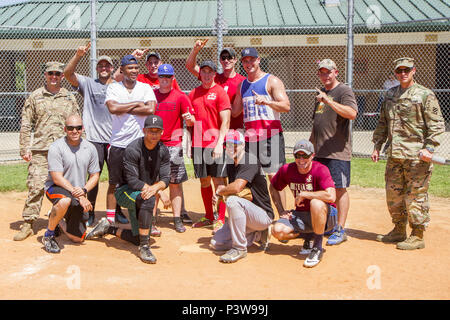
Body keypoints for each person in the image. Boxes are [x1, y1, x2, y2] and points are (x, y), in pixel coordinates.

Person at [372, 57, 445, 250]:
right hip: (395, 155)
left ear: (414, 70)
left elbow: (437, 125)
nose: (403, 73)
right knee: (393, 195)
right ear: (395, 73)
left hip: (416, 158)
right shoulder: (389, 94)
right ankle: (398, 230)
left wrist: (429, 148)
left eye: (407, 70)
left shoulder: (424, 94)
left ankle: (417, 234)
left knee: (415, 196)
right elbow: (382, 123)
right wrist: (377, 145)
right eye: (399, 71)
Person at [86, 115, 170, 264]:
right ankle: (144, 248)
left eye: (157, 131)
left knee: (138, 236)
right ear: (144, 130)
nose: (154, 134)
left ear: (162, 132)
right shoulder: (133, 148)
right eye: (151, 131)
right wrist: (157, 191)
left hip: (142, 192)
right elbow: (132, 180)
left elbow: (165, 178)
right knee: (149, 199)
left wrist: (158, 188)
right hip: (124, 191)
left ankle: (108, 228)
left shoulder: (163, 150)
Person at [64, 42, 127, 226]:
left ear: (112, 68)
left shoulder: (118, 86)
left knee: (117, 178)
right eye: (101, 65)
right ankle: (89, 211)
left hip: (114, 139)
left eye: (107, 65)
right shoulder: (88, 83)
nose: (104, 68)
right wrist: (78, 55)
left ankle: (116, 211)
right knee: (94, 177)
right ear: (97, 68)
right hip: (93, 140)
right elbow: (68, 74)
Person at [15, 61, 79, 241]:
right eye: (50, 73)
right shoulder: (35, 96)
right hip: (41, 150)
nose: (54, 77)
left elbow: (77, 122)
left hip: (64, 151)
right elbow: (26, 124)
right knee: (36, 186)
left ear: (61, 77)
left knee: (65, 186)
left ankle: (63, 219)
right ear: (45, 75)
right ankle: (28, 223)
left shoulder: (68, 97)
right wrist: (24, 148)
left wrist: (80, 147)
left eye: (57, 74)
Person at [231, 47, 290, 217]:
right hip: (250, 139)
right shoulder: (242, 85)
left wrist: (267, 102)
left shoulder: (271, 81)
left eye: (251, 60)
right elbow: (234, 111)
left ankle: (283, 215)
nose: (248, 64)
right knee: (253, 177)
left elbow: (286, 106)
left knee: (274, 177)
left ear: (258, 60)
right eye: (245, 61)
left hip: (270, 136)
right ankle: (262, 216)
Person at [309, 58, 357, 246]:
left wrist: (328, 100)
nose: (325, 75)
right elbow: (316, 124)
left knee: (339, 189)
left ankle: (340, 228)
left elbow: (352, 113)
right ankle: (327, 224)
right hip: (319, 152)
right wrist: (310, 147)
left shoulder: (343, 90)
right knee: (322, 190)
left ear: (336, 72)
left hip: (337, 152)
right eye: (322, 72)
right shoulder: (321, 95)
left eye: (328, 72)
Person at [104, 55, 156, 228]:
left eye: (136, 68)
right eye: (130, 68)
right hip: (118, 144)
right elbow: (113, 108)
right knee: (114, 183)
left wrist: (124, 107)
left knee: (143, 182)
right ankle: (110, 221)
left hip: (140, 144)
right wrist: (136, 103)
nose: (134, 71)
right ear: (122, 70)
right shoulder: (114, 88)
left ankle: (148, 222)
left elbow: (150, 109)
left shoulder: (145, 87)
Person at [270, 139, 338, 268]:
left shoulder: (320, 169)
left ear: (312, 155)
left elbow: (331, 196)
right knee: (277, 231)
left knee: (316, 203)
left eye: (305, 155)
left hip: (327, 216)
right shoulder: (287, 170)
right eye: (298, 155)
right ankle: (309, 236)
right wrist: (281, 211)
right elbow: (273, 187)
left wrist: (305, 194)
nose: (301, 160)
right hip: (301, 215)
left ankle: (317, 247)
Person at [210, 130, 274, 263]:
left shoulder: (249, 160)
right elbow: (232, 191)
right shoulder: (230, 163)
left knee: (233, 201)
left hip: (262, 214)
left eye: (235, 144)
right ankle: (256, 234)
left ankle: (239, 248)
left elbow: (237, 187)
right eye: (228, 145)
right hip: (246, 215)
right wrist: (221, 195)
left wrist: (220, 191)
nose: (231, 148)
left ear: (243, 145)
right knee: (216, 243)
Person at [41, 114, 100, 253]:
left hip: (78, 192)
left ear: (82, 128)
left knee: (77, 239)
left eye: (78, 128)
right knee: (64, 201)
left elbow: (95, 175)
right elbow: (56, 178)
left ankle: (56, 218)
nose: (75, 131)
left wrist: (84, 190)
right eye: (70, 128)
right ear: (65, 129)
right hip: (56, 187)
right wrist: (79, 196)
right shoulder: (56, 147)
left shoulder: (90, 148)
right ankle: (48, 236)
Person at [152, 63, 196, 233]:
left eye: (168, 77)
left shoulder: (180, 96)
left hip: (173, 144)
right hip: (154, 145)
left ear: (172, 78)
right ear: (158, 78)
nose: (164, 80)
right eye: (162, 77)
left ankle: (177, 218)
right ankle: (152, 220)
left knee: (175, 183)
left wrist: (190, 119)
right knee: (155, 182)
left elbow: (191, 121)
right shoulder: (152, 95)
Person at [189, 60, 231, 234]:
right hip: (198, 144)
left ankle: (220, 218)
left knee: (219, 181)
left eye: (210, 72)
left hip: (216, 144)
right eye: (204, 72)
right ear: (200, 74)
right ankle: (208, 216)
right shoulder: (194, 93)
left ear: (215, 74)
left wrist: (220, 143)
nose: (206, 75)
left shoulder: (220, 92)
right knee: (204, 180)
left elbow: (226, 121)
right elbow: (190, 119)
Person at [185, 39, 246, 130]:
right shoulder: (213, 77)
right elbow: (191, 67)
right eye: (223, 58)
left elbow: (235, 112)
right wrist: (195, 50)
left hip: (234, 129)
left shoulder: (242, 81)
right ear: (220, 61)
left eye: (229, 57)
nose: (226, 60)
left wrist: (220, 100)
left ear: (235, 60)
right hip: (215, 130)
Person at [114, 50, 181, 90]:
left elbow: (180, 96)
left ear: (161, 63)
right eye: (150, 63)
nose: (153, 65)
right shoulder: (140, 78)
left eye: (156, 62)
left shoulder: (168, 79)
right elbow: (116, 77)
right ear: (146, 65)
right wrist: (132, 57)